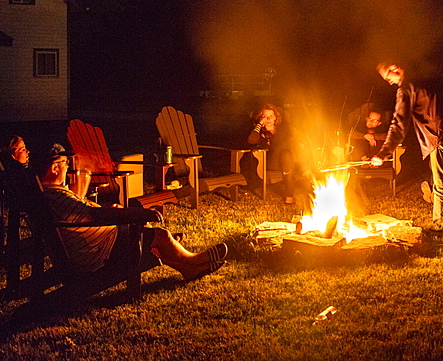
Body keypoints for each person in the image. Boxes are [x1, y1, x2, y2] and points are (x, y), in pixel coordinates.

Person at [33, 143, 227, 281]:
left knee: (147, 234)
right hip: (94, 255)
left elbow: (85, 212)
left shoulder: (49, 193)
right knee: (160, 235)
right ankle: (192, 259)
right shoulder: (57, 196)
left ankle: (188, 269)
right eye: (66, 163)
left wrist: (108, 209)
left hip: (88, 247)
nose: (68, 167)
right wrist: (134, 214)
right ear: (54, 167)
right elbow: (93, 215)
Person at [372, 60, 443, 232]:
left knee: (440, 184)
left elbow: (399, 124)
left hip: (439, 135)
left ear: (396, 68)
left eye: (388, 77)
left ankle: (440, 225)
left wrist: (384, 152)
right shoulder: (429, 74)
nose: (389, 82)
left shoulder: (407, 88)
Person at [239, 103, 296, 204]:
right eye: (264, 116)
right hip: (266, 161)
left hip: (284, 161)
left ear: (275, 118)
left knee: (287, 154)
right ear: (260, 118)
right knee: (287, 157)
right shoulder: (258, 131)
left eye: (271, 116)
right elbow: (251, 141)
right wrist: (259, 124)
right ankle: (290, 193)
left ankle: (289, 194)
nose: (268, 119)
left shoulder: (283, 130)